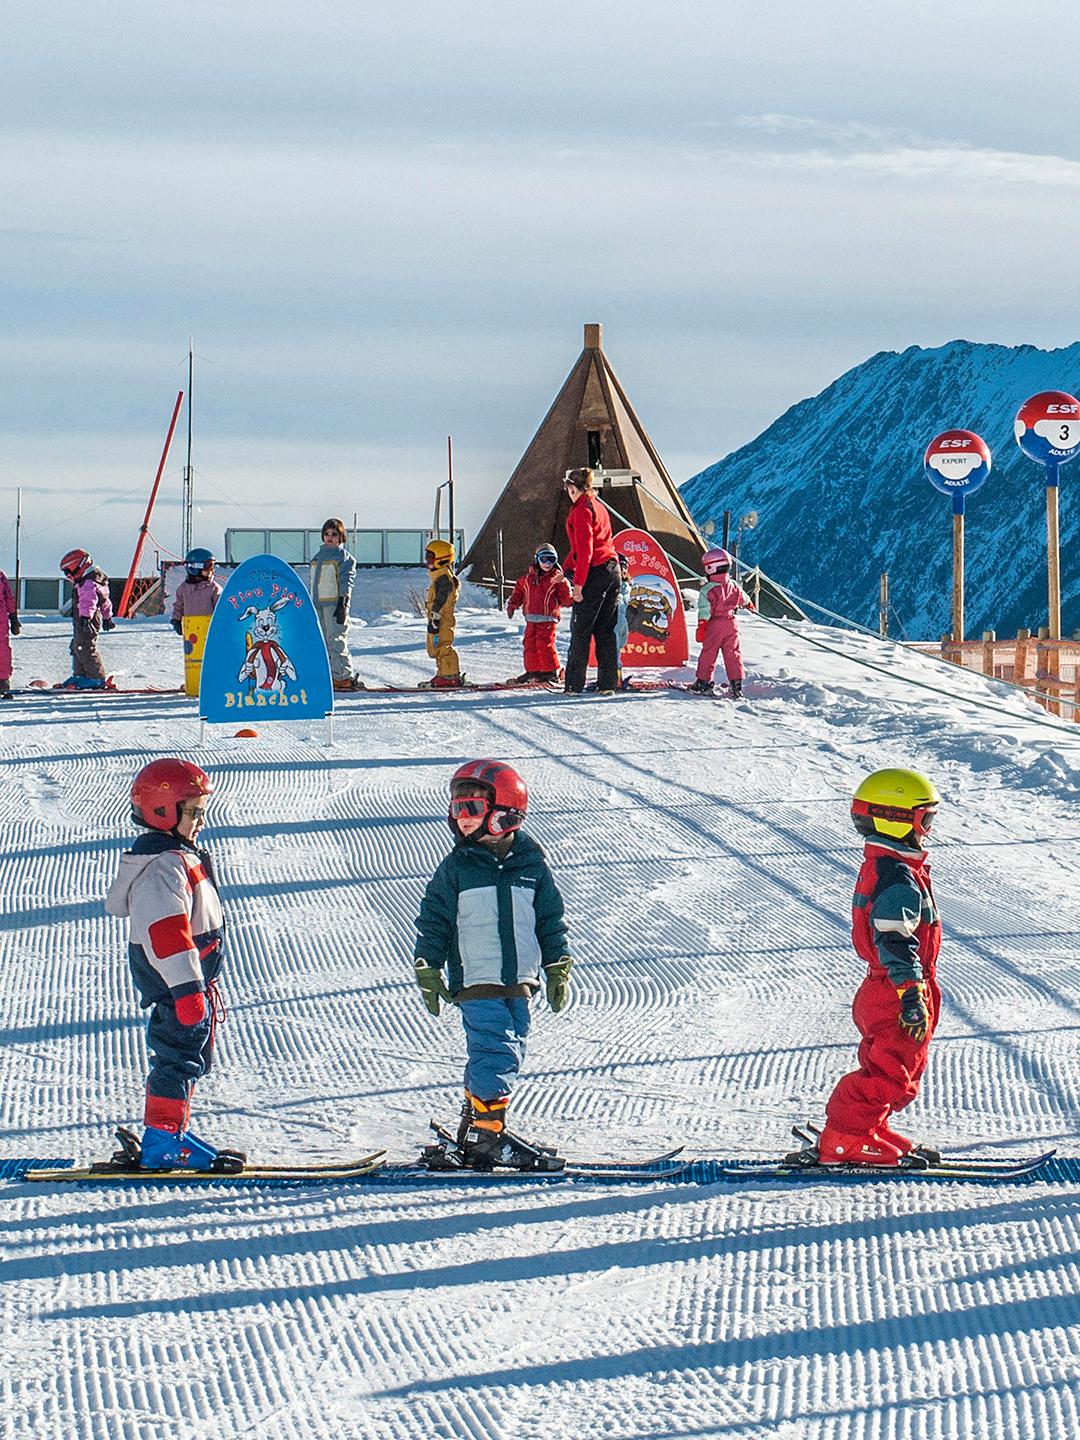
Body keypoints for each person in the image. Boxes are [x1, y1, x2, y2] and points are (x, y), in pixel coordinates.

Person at [413, 760, 574, 1169]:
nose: (460, 819)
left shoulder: (531, 865)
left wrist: (556, 964)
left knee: (508, 1047)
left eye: (470, 809)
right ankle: (487, 1138)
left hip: (519, 979)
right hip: (476, 977)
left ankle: (477, 1126)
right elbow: (435, 918)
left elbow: (549, 919)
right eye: (456, 810)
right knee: (496, 1052)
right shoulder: (456, 867)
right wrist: (429, 966)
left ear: (504, 813)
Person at [104, 759, 244, 1171]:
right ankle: (163, 1140)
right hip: (178, 985)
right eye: (193, 812)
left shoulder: (176, 857)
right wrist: (186, 990)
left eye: (202, 811)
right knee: (176, 1059)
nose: (201, 821)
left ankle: (170, 1131)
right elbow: (167, 936)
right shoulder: (162, 869)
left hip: (190, 984)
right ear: (163, 811)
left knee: (186, 1058)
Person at [815, 768, 943, 1168]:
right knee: (890, 1071)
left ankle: (868, 1127)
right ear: (897, 818)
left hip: (891, 985)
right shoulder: (897, 876)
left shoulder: (892, 865)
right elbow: (894, 940)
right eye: (926, 820)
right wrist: (910, 992)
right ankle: (844, 1139)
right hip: (896, 987)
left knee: (900, 1065)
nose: (927, 830)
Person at [562, 468, 620, 695]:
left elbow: (585, 551)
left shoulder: (581, 510)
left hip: (594, 572)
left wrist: (577, 585)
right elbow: (580, 548)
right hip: (612, 570)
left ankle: (573, 685)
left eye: (568, 488)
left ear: (573, 488)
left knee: (581, 629)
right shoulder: (598, 506)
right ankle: (608, 684)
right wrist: (564, 568)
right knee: (605, 630)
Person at [691, 547, 754, 698]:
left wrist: (702, 625)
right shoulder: (733, 585)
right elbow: (744, 599)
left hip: (715, 624)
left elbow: (704, 609)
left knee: (709, 653)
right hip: (731, 623)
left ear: (711, 568)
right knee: (733, 653)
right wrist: (749, 605)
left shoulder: (708, 589)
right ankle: (736, 684)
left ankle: (703, 682)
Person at [309, 518, 364, 691]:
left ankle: (343, 676)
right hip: (318, 604)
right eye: (327, 534)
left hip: (334, 604)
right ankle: (330, 674)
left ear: (341, 537)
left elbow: (347, 580)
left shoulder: (344, 557)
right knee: (323, 640)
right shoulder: (317, 558)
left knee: (336, 639)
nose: (330, 537)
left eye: (334, 534)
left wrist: (343, 602)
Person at [505, 543, 573, 683]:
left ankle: (550, 671)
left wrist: (573, 600)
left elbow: (565, 598)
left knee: (544, 644)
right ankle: (533, 671)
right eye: (544, 559)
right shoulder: (527, 579)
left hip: (548, 618)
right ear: (537, 559)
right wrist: (513, 604)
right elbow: (518, 593)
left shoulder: (557, 579)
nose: (548, 563)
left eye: (552, 559)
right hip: (531, 618)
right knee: (529, 644)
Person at [59, 549, 115, 690]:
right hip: (84, 617)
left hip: (87, 618)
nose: (68, 576)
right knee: (77, 645)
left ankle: (96, 677)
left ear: (80, 565)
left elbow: (88, 601)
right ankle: (80, 675)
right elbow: (105, 601)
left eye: (68, 572)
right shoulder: (92, 579)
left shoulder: (88, 582)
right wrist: (107, 617)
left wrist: (85, 617)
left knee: (85, 647)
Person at [423, 538, 464, 688]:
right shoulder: (438, 576)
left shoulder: (444, 579)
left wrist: (435, 617)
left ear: (441, 559)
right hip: (437, 617)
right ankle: (443, 673)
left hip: (442, 618)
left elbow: (441, 600)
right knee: (436, 647)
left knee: (443, 645)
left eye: (430, 557)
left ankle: (450, 675)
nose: (427, 560)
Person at [171, 548, 221, 636]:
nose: (211, 570)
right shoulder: (183, 589)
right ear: (195, 567)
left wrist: (220, 622)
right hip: (191, 628)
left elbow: (220, 607)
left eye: (212, 566)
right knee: (193, 649)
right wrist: (176, 620)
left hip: (209, 628)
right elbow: (179, 605)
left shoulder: (214, 588)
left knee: (206, 649)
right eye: (208, 566)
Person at [0, 565, 19, 700]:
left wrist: (14, 617)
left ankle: (3, 681)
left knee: (3, 652)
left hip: (0, 622)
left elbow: (8, 597)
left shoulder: (0, 576)